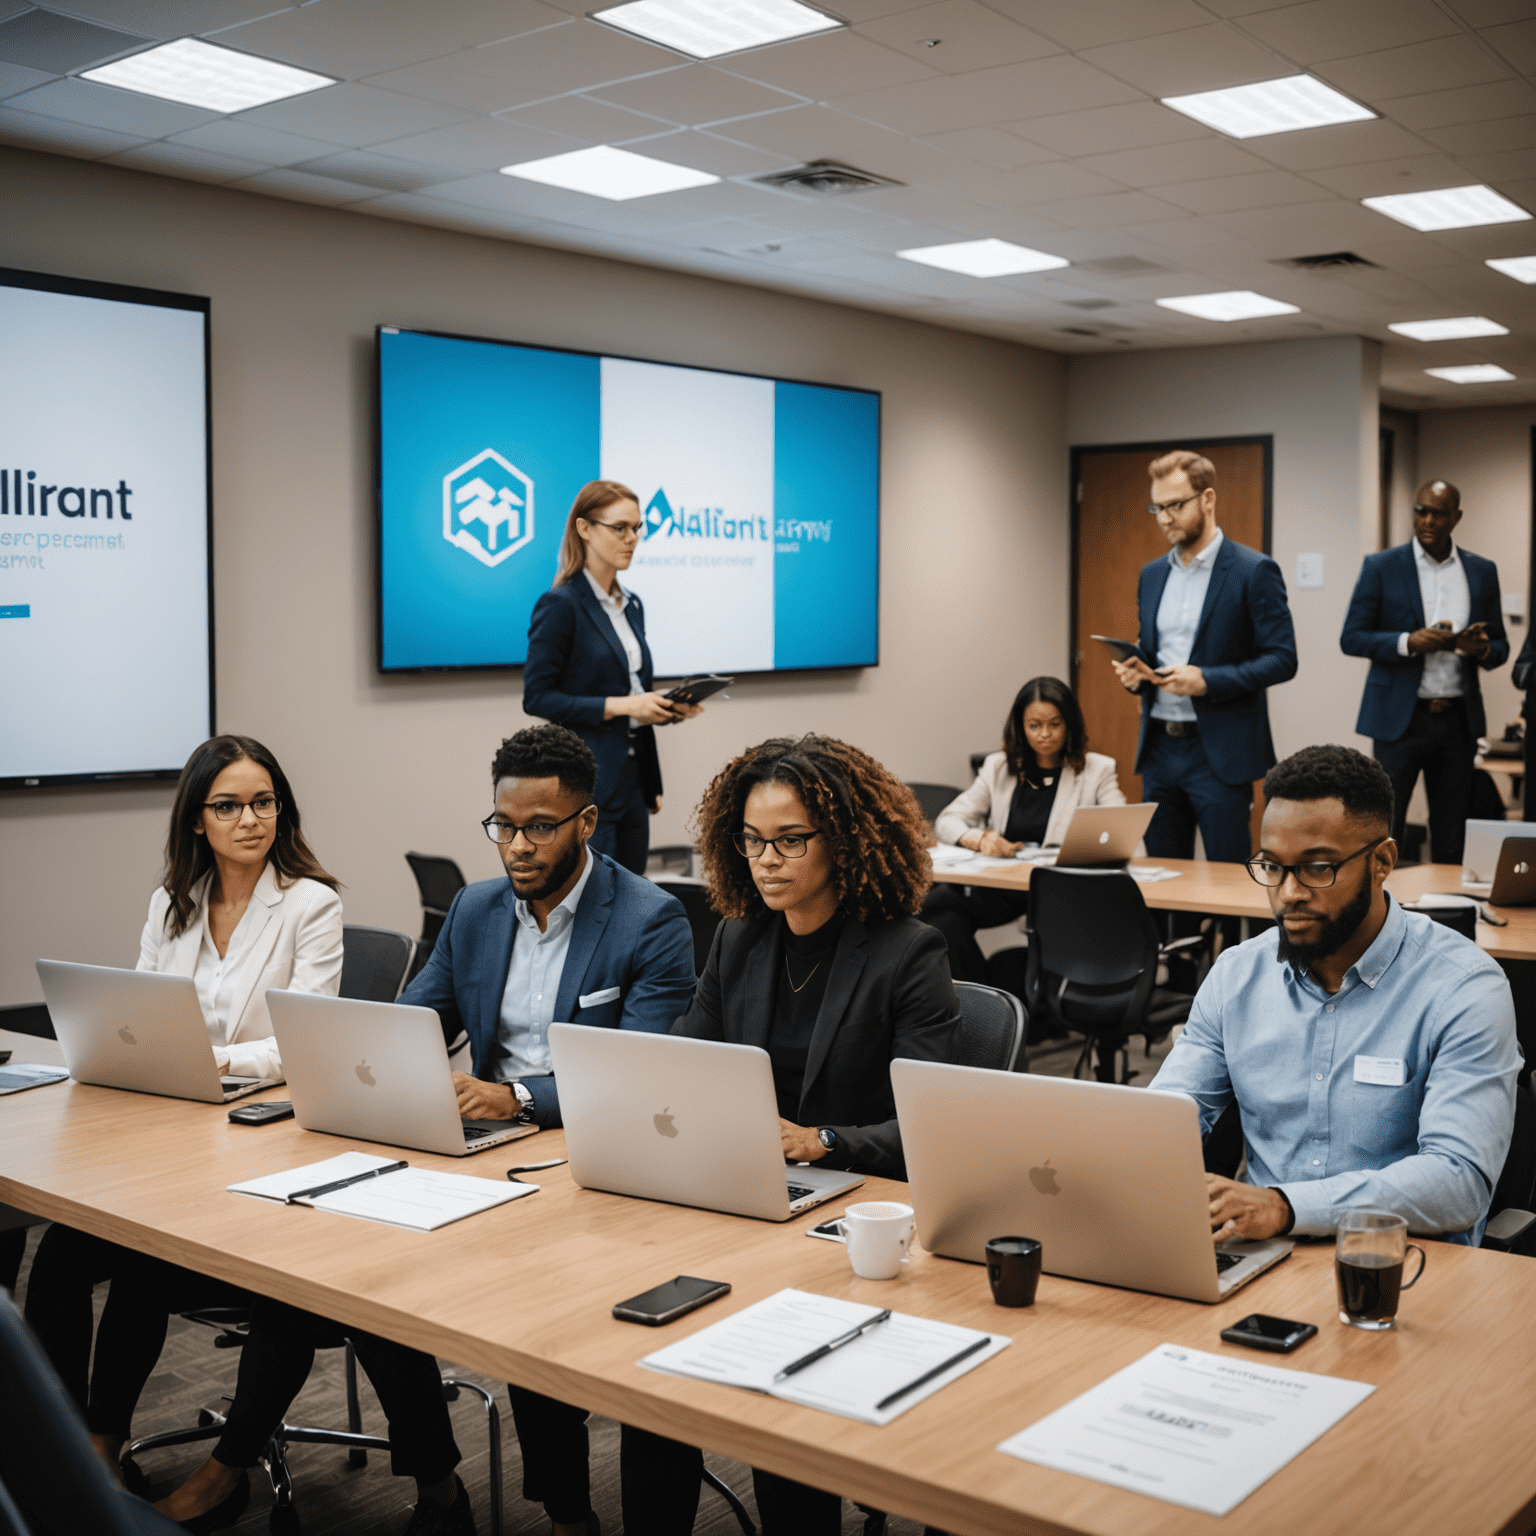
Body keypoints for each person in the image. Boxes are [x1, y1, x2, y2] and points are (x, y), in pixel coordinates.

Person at [622, 734, 961, 1536]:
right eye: (751, 839)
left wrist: (824, 1141)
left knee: (785, 1397)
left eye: (789, 840)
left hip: (850, 1219)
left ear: (843, 839)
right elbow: (688, 1059)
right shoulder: (741, 937)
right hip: (743, 1199)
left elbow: (931, 1128)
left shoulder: (909, 951)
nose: (766, 860)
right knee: (646, 1373)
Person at [20, 735, 354, 1524]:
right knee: (63, 1254)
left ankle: (220, 1472)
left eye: (264, 802)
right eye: (229, 805)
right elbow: (141, 1017)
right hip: (169, 1142)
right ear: (197, 820)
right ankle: (84, 1445)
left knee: (144, 1264)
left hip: (263, 1145)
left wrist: (205, 1057)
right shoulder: (172, 903)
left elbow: (305, 1041)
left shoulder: (311, 903)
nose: (251, 819)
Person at [402, 722, 697, 1536]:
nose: (518, 847)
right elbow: (414, 1018)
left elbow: (634, 1076)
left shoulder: (651, 920)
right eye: (504, 826)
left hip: (588, 1156)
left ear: (587, 823)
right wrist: (384, 1066)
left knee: (533, 1312)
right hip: (482, 1152)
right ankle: (434, 1479)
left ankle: (569, 1513)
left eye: (539, 827)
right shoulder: (475, 906)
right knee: (370, 1278)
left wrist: (519, 1099)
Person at [1151, 744, 1520, 1247]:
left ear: (1382, 862)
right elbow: (1166, 1116)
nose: (1288, 893)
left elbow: (1459, 1182)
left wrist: (1285, 1207)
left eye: (1317, 868)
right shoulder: (1236, 977)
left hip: (1406, 1268)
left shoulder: (1463, 987)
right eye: (1272, 867)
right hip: (1264, 1255)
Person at [1112, 450, 1296, 863]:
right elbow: (1152, 647)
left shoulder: (1254, 570)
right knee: (1164, 877)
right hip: (1159, 748)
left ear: (1208, 499)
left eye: (1175, 505)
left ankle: (1227, 934)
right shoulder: (1152, 574)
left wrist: (1208, 680)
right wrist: (1135, 672)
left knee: (1228, 880)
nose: (1164, 518)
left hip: (1219, 752)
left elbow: (1283, 658)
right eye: (1157, 508)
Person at [523, 480, 704, 875]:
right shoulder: (560, 605)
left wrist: (666, 708)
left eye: (637, 528)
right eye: (619, 527)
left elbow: (631, 691)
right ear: (584, 528)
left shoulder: (631, 604)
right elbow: (537, 697)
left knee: (631, 905)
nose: (632, 538)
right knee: (593, 905)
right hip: (588, 783)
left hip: (634, 780)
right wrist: (626, 706)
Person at [1341, 479, 1508, 865]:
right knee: (1385, 830)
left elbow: (1499, 647)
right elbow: (1352, 638)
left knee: (1452, 833)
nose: (1428, 520)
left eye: (1438, 513)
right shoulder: (1381, 566)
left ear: (1457, 517)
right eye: (1421, 511)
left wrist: (1478, 647)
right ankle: (1385, 919)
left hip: (1457, 722)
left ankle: (1447, 917)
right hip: (1400, 720)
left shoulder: (1481, 571)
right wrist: (1407, 642)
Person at [925, 676, 1125, 982]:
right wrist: (980, 839)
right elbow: (948, 820)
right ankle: (985, 998)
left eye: (1054, 724)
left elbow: (1121, 828)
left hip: (1060, 888)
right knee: (938, 917)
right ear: (1021, 727)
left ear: (1069, 724)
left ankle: (1016, 1006)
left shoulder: (1097, 770)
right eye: (1034, 726)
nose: (1045, 735)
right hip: (1004, 886)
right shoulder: (999, 767)